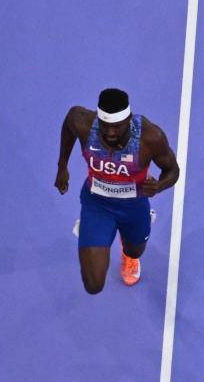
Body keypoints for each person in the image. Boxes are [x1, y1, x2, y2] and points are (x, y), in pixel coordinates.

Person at [55, 88, 179, 292]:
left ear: (128, 119)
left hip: (133, 207)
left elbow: (172, 170)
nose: (110, 133)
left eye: (117, 127)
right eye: (105, 126)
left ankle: (129, 251)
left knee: (134, 251)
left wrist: (158, 186)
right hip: (97, 204)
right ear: (98, 119)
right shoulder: (83, 123)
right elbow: (69, 123)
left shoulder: (150, 137)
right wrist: (62, 167)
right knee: (93, 285)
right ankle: (93, 228)